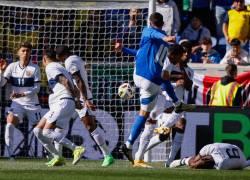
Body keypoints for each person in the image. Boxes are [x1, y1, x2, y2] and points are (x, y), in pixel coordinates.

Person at [115, 12, 195, 165]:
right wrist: (166, 38)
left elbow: (140, 53)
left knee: (146, 117)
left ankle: (131, 147)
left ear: (150, 22)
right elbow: (154, 33)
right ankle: (133, 147)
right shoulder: (158, 37)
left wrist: (124, 49)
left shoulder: (152, 39)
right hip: (149, 81)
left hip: (143, 79)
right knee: (148, 116)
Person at [133, 44, 194, 168]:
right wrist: (176, 82)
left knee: (181, 125)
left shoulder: (188, 70)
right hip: (164, 102)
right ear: (179, 53)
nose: (186, 55)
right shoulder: (167, 63)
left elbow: (189, 85)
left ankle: (169, 161)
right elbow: (162, 78)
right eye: (184, 52)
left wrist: (183, 74)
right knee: (163, 135)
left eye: (188, 53)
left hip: (178, 105)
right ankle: (140, 154)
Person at [56, 45, 115, 167]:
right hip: (74, 98)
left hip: (82, 99)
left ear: (60, 56)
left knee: (90, 127)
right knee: (59, 124)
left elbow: (78, 80)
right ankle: (58, 157)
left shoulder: (69, 61)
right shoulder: (76, 58)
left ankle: (107, 155)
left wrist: (86, 99)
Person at [33, 48, 84, 167]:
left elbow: (65, 81)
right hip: (63, 102)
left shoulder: (50, 67)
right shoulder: (61, 66)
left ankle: (76, 148)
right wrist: (76, 100)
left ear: (44, 58)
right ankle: (57, 157)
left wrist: (74, 99)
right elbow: (75, 87)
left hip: (63, 102)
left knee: (46, 131)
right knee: (38, 130)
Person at [0, 42, 41, 158]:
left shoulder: (35, 68)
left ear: (30, 53)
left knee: (42, 132)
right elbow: (1, 83)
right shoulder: (12, 66)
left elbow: (37, 88)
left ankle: (53, 154)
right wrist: (1, 71)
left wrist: (22, 94)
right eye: (23, 51)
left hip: (32, 104)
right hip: (17, 104)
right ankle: (10, 156)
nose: (25, 53)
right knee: (9, 124)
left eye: (28, 51)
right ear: (18, 52)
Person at [169, 143, 250, 170]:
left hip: (226, 152)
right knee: (194, 162)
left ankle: (183, 161)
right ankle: (183, 161)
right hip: (232, 150)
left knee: (194, 165)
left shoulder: (222, 164)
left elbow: (195, 164)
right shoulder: (242, 162)